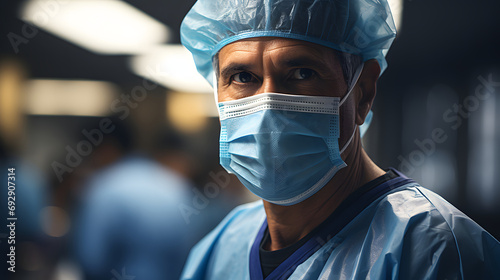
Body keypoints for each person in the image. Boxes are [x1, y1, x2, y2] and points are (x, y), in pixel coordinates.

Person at [179, 0, 500, 279]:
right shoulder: (222, 246)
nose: (268, 106)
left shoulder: (434, 250)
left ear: (363, 93)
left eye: (303, 72)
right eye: (242, 77)